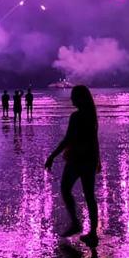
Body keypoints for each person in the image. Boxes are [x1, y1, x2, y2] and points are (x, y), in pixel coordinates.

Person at [45, 85, 100, 247]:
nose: (72, 99)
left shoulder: (76, 117)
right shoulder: (92, 115)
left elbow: (67, 139)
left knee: (65, 188)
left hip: (77, 159)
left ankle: (76, 222)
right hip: (89, 158)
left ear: (80, 98)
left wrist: (52, 156)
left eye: (74, 96)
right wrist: (97, 159)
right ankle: (93, 233)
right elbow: (94, 140)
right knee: (90, 195)